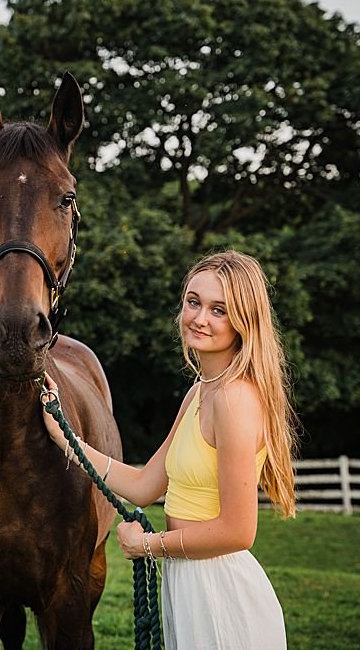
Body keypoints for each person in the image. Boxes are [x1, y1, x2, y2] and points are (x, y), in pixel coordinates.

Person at [41, 251, 297, 649]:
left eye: (219, 310)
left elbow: (238, 531)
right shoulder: (200, 392)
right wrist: (67, 438)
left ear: (244, 322)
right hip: (188, 583)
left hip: (220, 593)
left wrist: (149, 545)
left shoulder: (234, 401)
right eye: (194, 302)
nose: (199, 318)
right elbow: (145, 485)